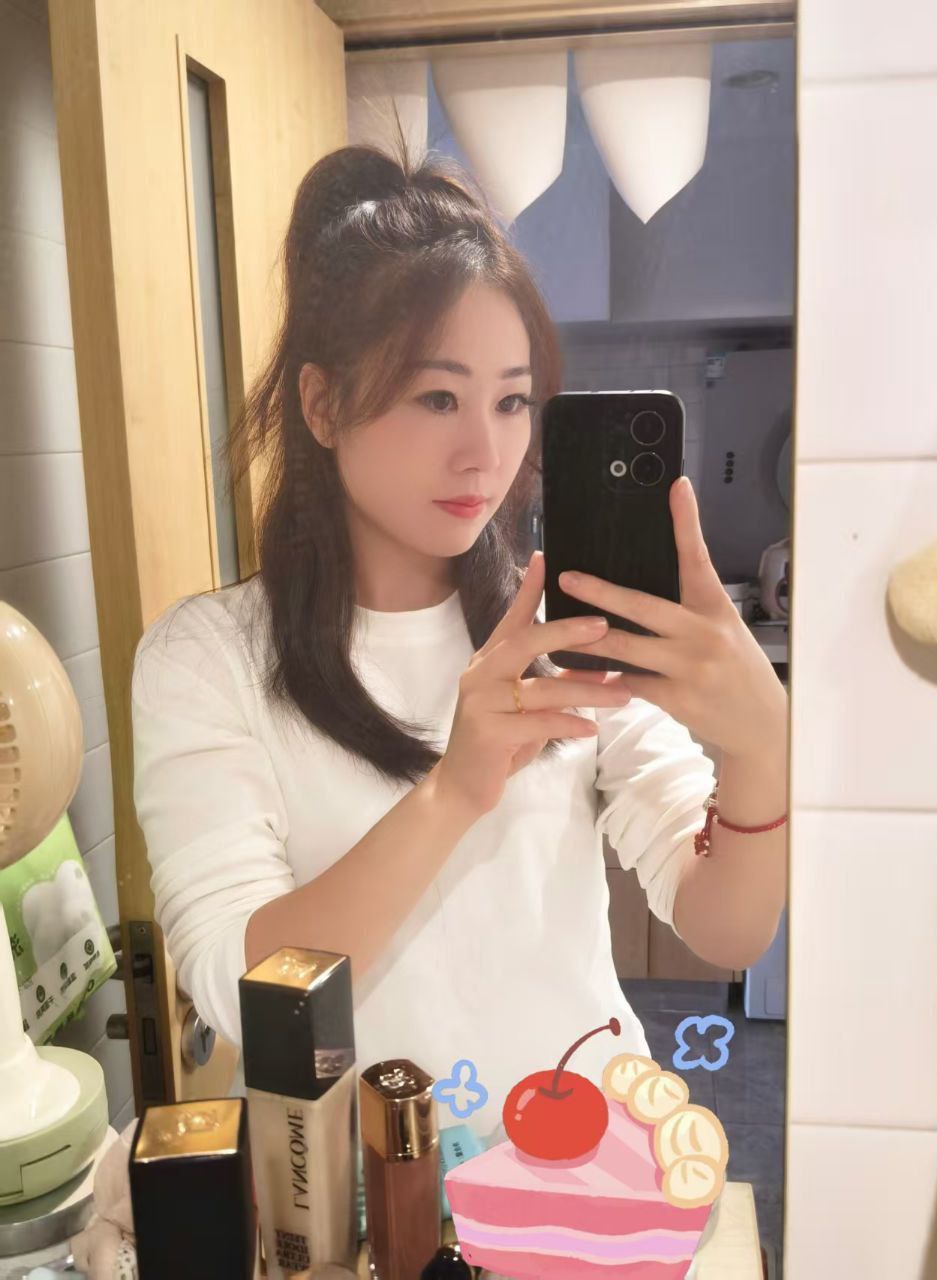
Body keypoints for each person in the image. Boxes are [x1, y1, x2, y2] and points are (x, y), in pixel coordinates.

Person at [131, 140, 787, 1137]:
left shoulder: (564, 629)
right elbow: (246, 998)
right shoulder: (207, 660)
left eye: (512, 400)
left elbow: (726, 926)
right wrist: (452, 790)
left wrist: (763, 747)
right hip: (367, 1193)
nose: (485, 451)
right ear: (322, 403)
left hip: (581, 1166)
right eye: (437, 396)